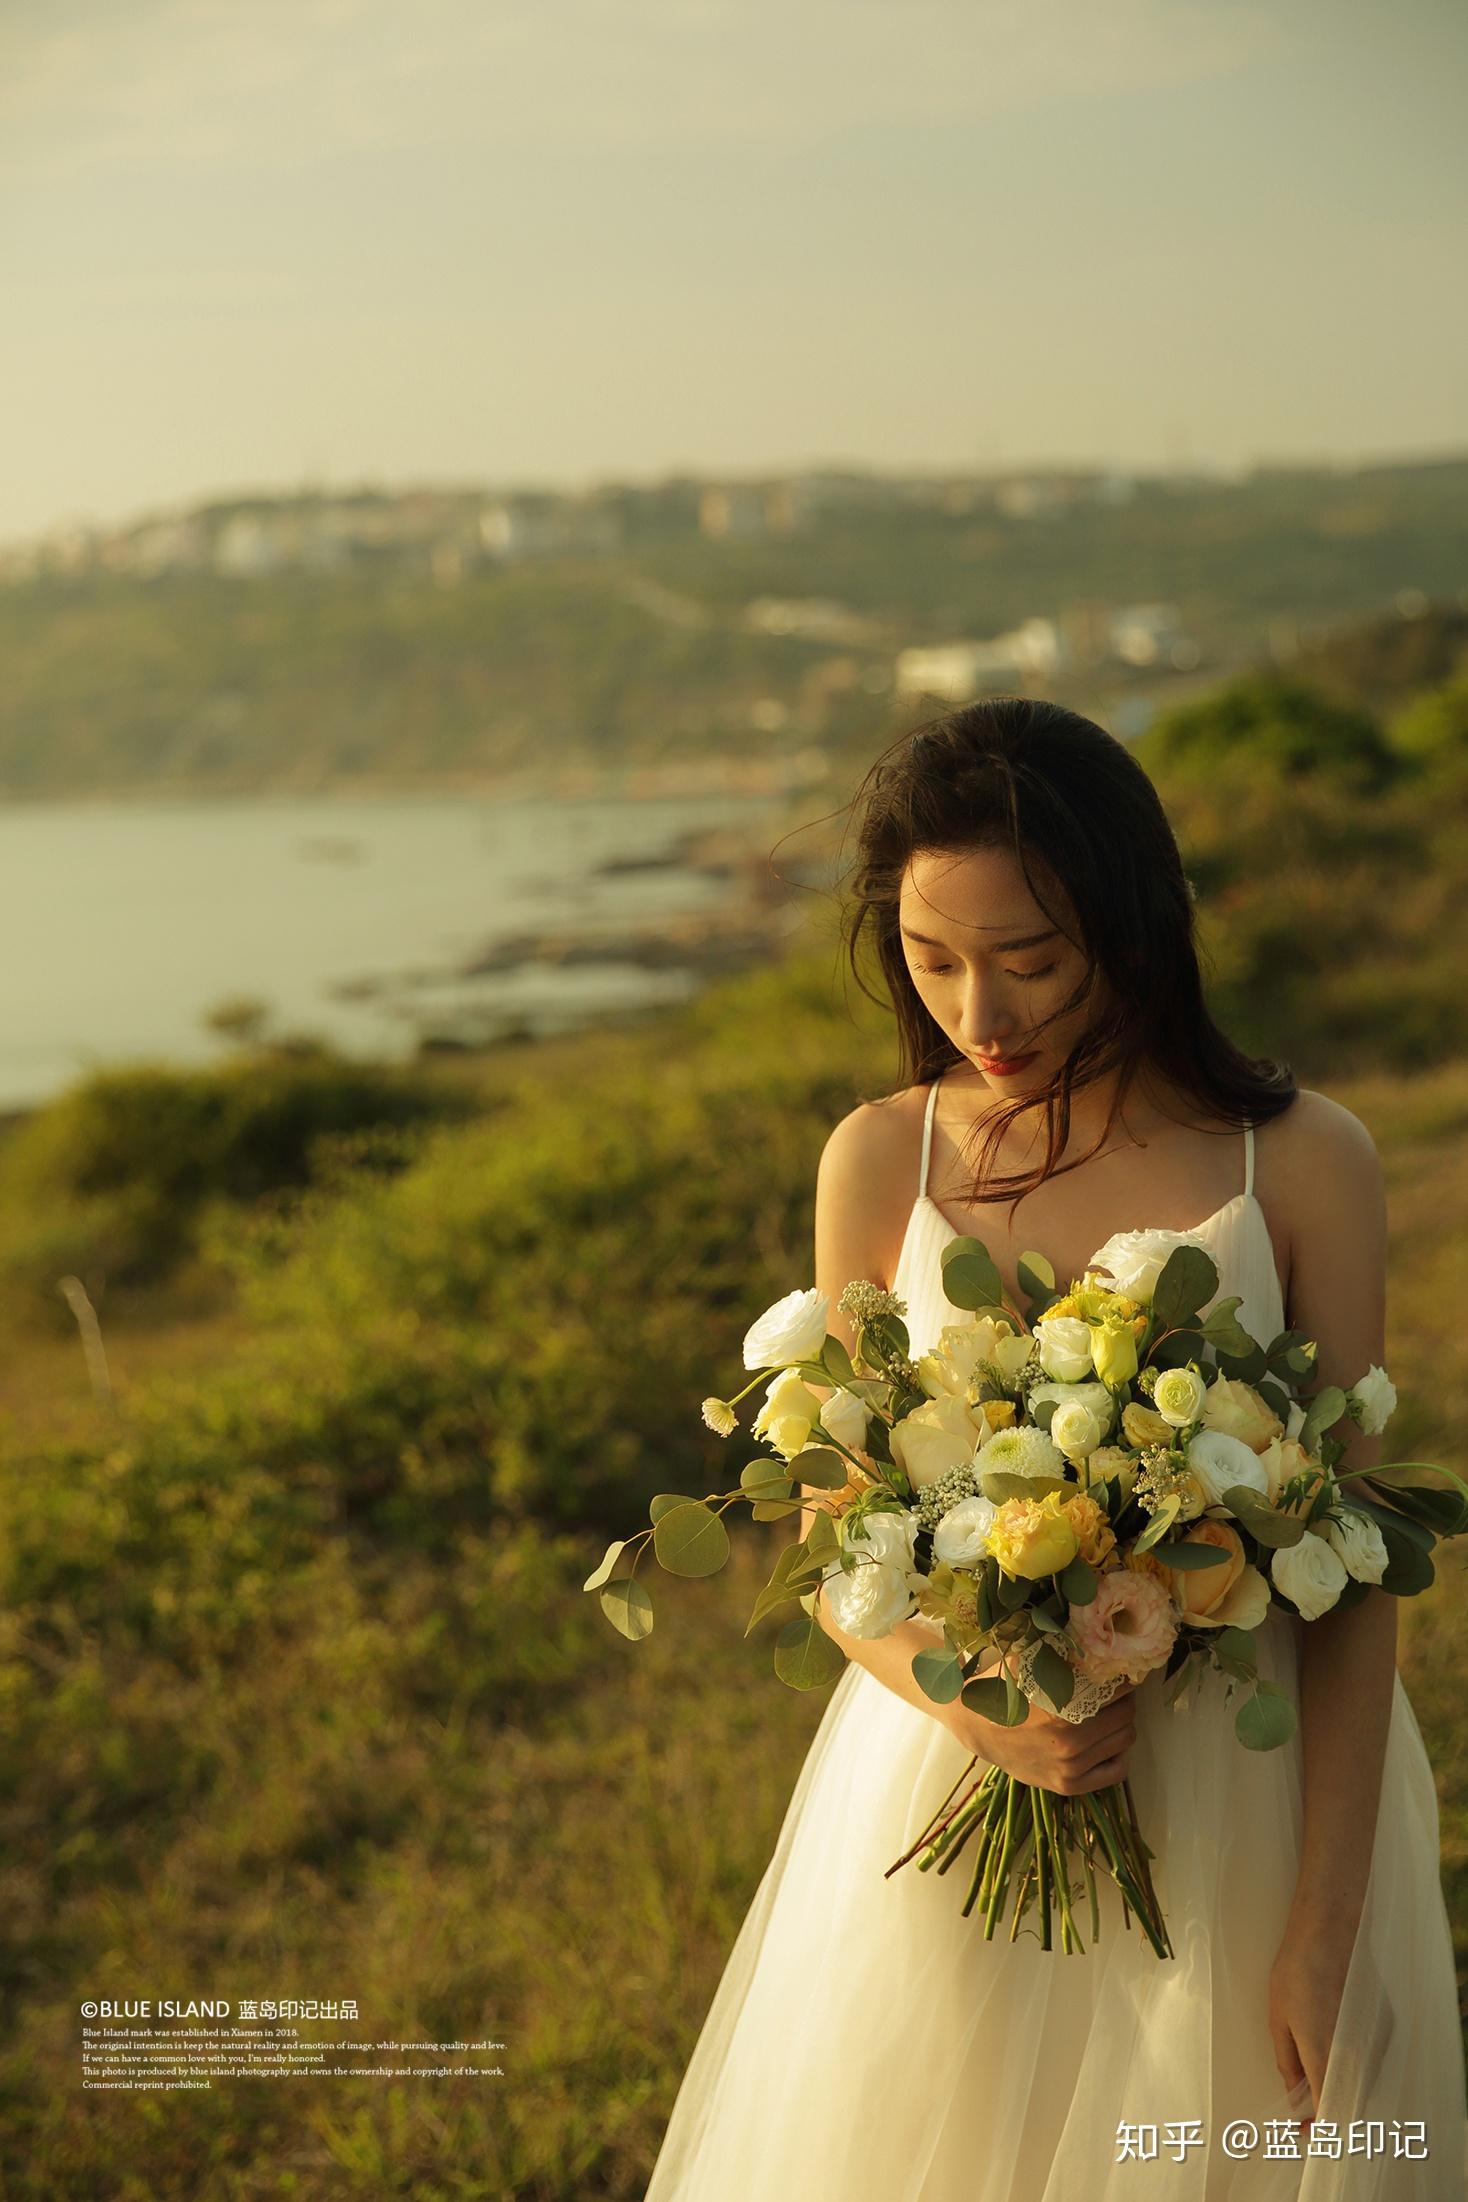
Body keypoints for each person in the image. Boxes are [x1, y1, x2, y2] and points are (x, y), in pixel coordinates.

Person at [641, 699, 1468, 2200]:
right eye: (933, 958)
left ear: (1137, 925)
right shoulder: (883, 1154)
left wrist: (1324, 1925)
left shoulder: (1304, 1159)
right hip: (953, 1782)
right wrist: (977, 1709)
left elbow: (1354, 1563)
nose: (982, 1011)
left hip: (1248, 1801)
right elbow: (838, 1535)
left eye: (1029, 957)